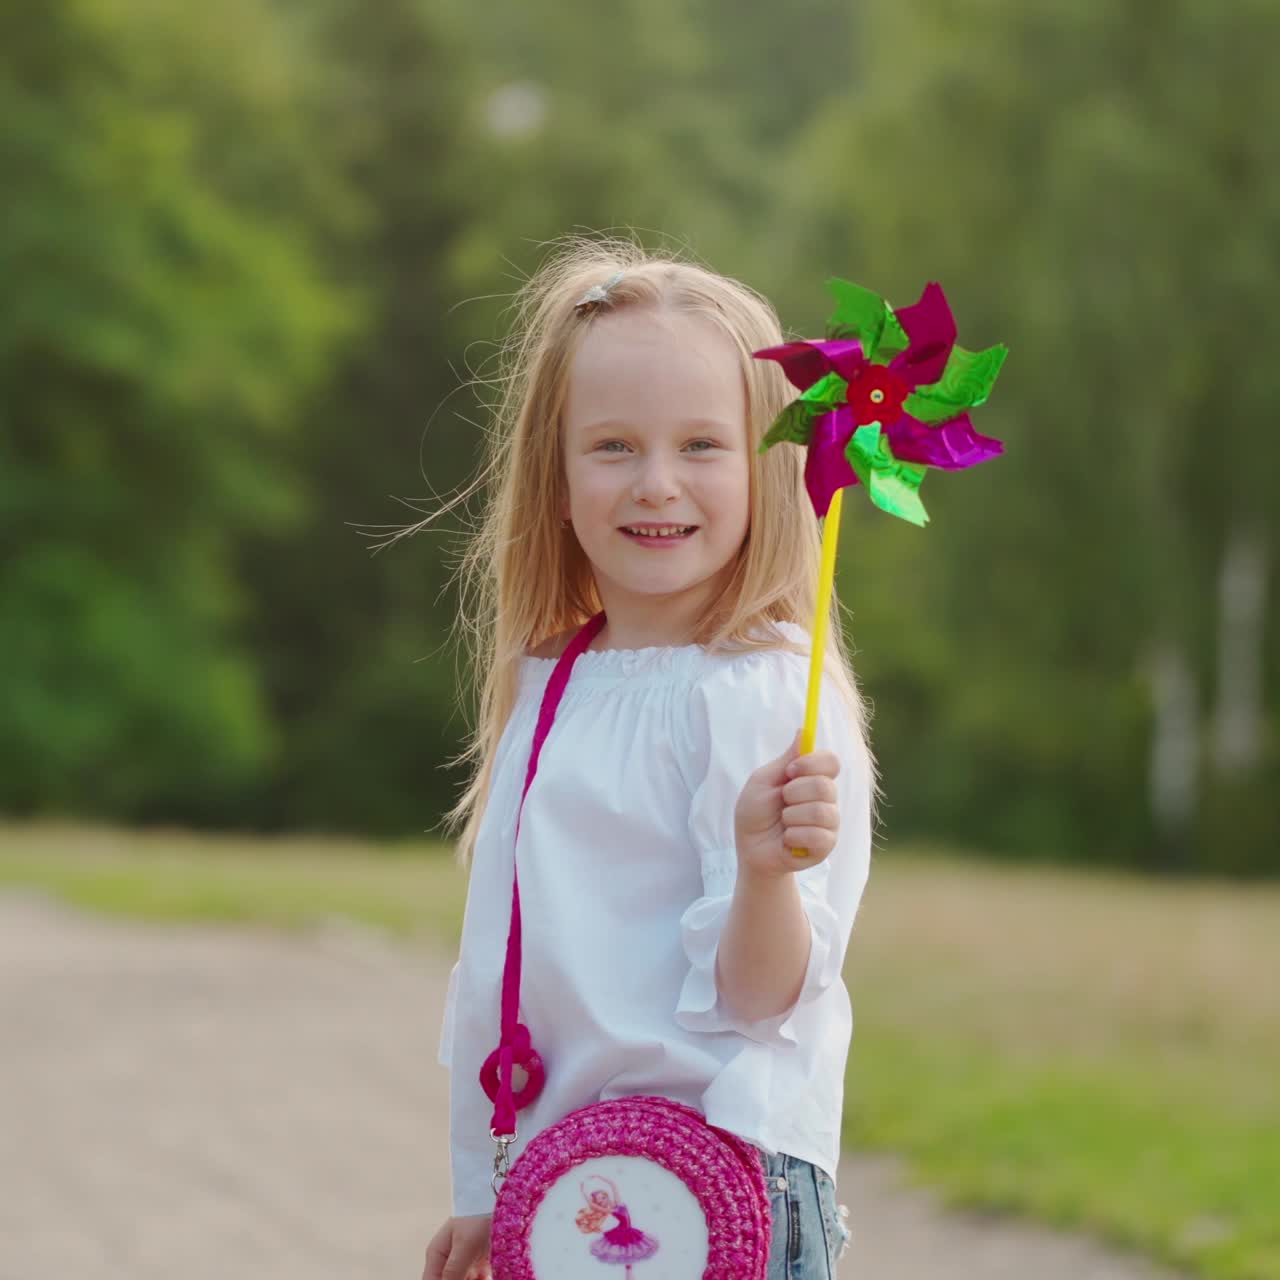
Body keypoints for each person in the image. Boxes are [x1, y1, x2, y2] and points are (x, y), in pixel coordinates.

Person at [418, 236, 875, 1280]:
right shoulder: (551, 686)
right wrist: (488, 1187)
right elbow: (504, 972)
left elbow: (764, 999)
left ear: (768, 465)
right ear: (557, 476)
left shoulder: (763, 691)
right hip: (568, 1187)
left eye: (702, 445)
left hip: (723, 1189)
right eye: (613, 445)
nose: (655, 483)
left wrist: (763, 867)